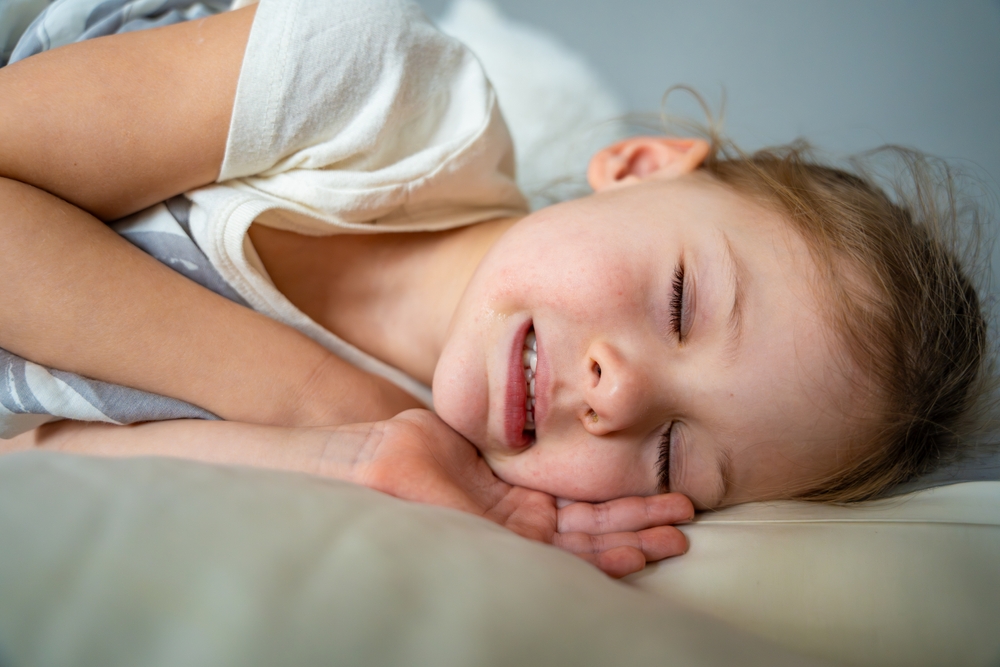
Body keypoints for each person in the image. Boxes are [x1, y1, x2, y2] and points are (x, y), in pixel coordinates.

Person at [0, 0, 988, 578]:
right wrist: (318, 401)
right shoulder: (365, 82)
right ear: (641, 164)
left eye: (673, 453)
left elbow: (38, 448)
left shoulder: (433, 475)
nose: (620, 394)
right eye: (681, 303)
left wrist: (352, 452)